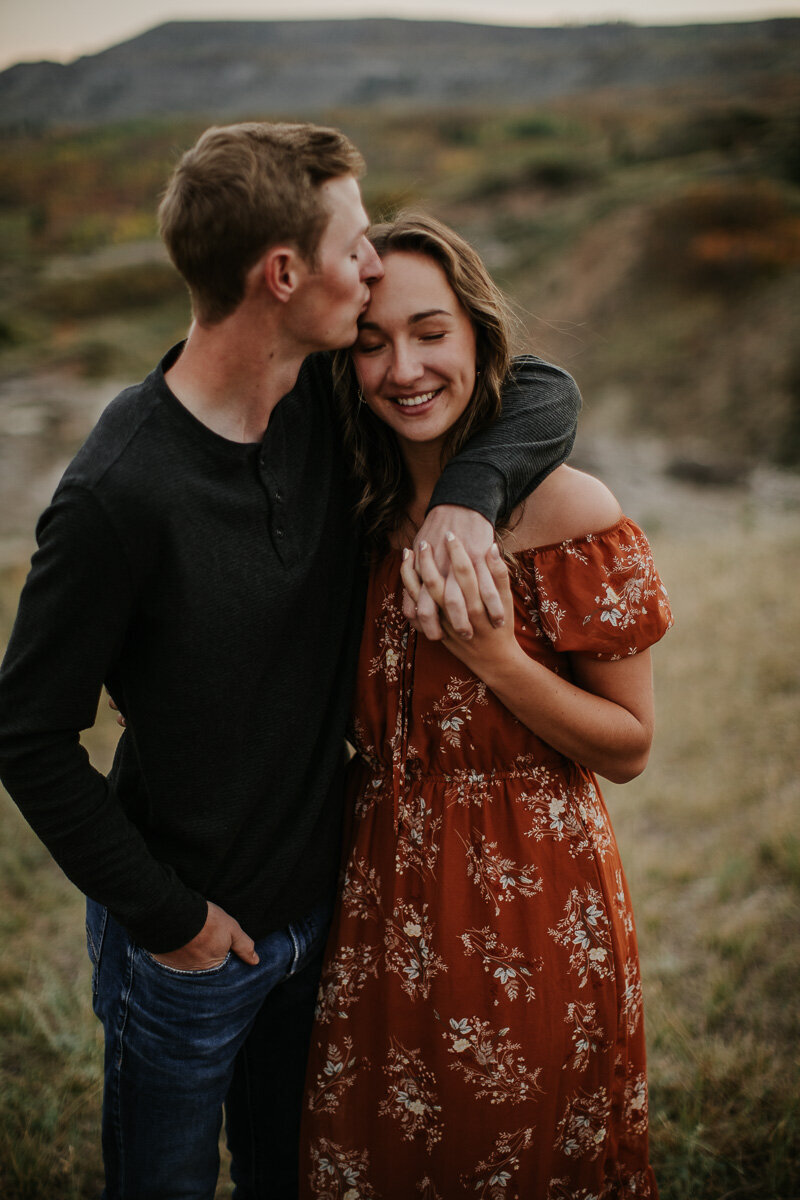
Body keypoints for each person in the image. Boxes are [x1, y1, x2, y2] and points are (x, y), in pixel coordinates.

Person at [0, 125, 580, 1199]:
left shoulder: (324, 396)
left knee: (290, 1175)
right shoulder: (117, 494)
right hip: (191, 949)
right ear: (282, 274)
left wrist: (465, 498)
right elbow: (26, 734)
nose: (370, 262)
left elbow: (539, 386)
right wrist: (170, 924)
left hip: (330, 918)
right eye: (355, 244)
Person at [299, 213, 672, 1198]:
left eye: (430, 332)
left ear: (477, 336)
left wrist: (494, 657)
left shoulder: (569, 516)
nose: (402, 368)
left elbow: (629, 749)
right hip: (378, 903)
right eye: (370, 342)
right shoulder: (354, 517)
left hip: (530, 905)